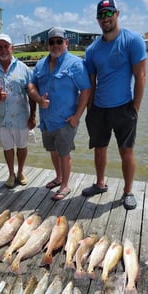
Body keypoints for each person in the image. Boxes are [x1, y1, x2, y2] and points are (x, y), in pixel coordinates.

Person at [82, 0, 147, 210]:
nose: (105, 18)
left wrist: (135, 108)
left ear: (117, 13)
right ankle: (100, 183)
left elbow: (141, 76)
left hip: (124, 107)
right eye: (101, 15)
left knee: (126, 151)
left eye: (109, 13)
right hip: (99, 108)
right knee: (99, 149)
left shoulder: (133, 40)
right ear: (97, 19)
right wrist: (89, 108)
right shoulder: (92, 50)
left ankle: (128, 191)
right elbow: (91, 82)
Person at [28, 27, 91, 201]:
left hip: (66, 120)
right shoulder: (40, 64)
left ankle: (65, 186)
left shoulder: (76, 63)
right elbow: (31, 86)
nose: (55, 45)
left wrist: (77, 116)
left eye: (59, 41)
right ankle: (58, 177)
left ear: (66, 42)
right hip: (47, 120)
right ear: (47, 44)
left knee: (64, 153)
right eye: (51, 42)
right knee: (53, 151)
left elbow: (86, 90)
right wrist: (39, 100)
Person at [0, 33, 36, 188]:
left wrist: (33, 116)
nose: (3, 50)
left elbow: (31, 93)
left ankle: (20, 172)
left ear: (12, 48)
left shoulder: (24, 69)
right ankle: (11, 173)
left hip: (21, 116)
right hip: (1, 117)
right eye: (0, 47)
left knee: (22, 146)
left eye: (6, 46)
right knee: (8, 147)